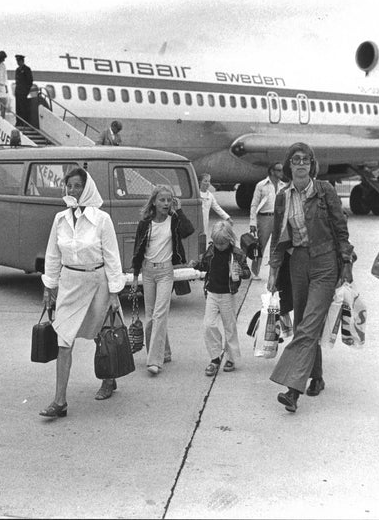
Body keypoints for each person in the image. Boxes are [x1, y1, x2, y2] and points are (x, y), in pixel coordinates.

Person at [267, 142, 354, 413]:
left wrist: (347, 262)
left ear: (312, 164)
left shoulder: (324, 190)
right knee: (305, 321)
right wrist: (273, 269)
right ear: (289, 165)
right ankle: (316, 376)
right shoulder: (283, 196)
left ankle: (293, 389)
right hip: (298, 262)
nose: (302, 163)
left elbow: (341, 229)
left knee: (309, 323)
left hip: (325, 261)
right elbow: (278, 235)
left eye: (306, 159)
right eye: (296, 159)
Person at [39, 168, 126, 418]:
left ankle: (109, 379)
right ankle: (60, 402)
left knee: (102, 334)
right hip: (69, 283)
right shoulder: (59, 219)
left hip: (97, 282)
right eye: (69, 186)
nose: (72, 191)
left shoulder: (102, 219)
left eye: (77, 186)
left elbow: (112, 257)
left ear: (86, 188)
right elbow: (53, 255)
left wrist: (113, 292)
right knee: (63, 339)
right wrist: (49, 286)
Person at [131, 185, 195, 375]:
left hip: (166, 272)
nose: (166, 203)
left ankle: (154, 361)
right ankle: (164, 352)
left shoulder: (174, 221)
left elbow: (188, 230)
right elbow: (137, 250)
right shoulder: (145, 223)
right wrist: (135, 276)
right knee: (150, 316)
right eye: (162, 200)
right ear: (154, 202)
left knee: (160, 315)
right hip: (148, 272)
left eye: (169, 200)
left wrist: (180, 209)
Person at [192, 221, 251, 376]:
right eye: (217, 243)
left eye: (223, 243)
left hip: (228, 294)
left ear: (230, 239)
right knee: (208, 325)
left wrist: (240, 271)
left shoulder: (237, 254)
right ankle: (215, 357)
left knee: (229, 327)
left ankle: (231, 357)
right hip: (212, 292)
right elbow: (204, 265)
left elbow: (247, 272)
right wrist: (196, 265)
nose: (219, 246)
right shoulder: (211, 250)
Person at [249, 162, 285, 279]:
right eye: (279, 170)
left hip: (278, 218)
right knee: (260, 246)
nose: (281, 172)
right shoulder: (261, 185)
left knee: (277, 247)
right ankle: (255, 272)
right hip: (264, 218)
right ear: (272, 171)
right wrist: (252, 222)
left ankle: (274, 273)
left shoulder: (283, 186)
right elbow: (254, 204)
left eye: (282, 170)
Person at [198, 173, 231, 243]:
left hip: (205, 223)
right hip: (196, 221)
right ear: (200, 182)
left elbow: (217, 207)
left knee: (203, 239)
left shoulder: (210, 196)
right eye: (205, 181)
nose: (207, 183)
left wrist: (227, 217)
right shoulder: (196, 194)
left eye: (209, 181)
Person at [14, 54, 35, 128]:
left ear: (22, 61)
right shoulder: (17, 70)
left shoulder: (27, 69)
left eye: (19, 61)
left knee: (24, 108)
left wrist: (26, 90)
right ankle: (19, 122)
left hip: (24, 93)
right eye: (17, 61)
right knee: (18, 108)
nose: (18, 62)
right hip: (18, 92)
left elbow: (30, 81)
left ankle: (25, 123)